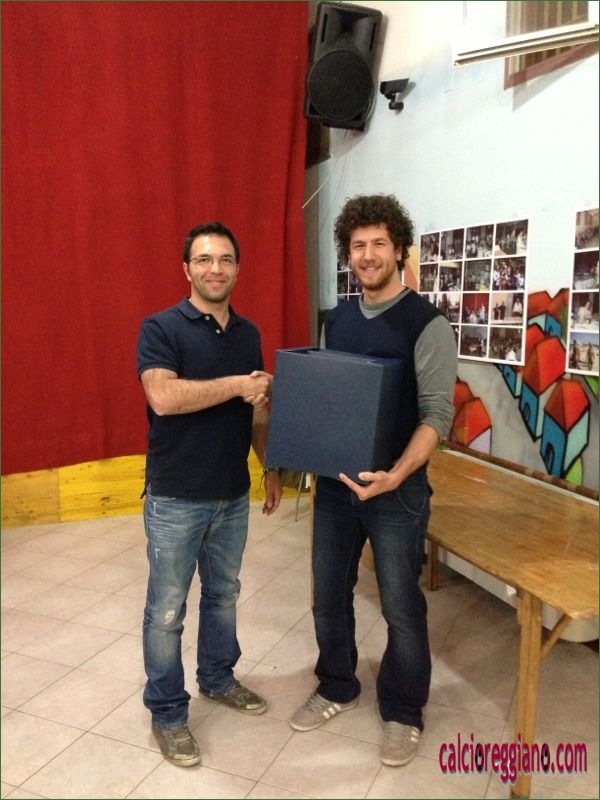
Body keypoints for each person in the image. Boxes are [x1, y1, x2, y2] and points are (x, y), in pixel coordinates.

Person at [289, 195, 456, 768]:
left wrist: (396, 476)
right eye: (357, 245)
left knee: (401, 606)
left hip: (397, 494)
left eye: (378, 243)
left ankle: (404, 711)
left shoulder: (427, 324)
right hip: (337, 490)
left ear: (399, 249)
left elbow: (437, 416)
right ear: (348, 253)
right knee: (327, 598)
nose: (367, 255)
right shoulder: (336, 321)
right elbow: (326, 401)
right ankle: (337, 685)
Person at [136, 221, 282, 767]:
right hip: (175, 497)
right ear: (187, 269)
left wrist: (270, 466)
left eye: (224, 259)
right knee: (167, 610)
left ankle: (218, 678)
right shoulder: (160, 327)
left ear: (237, 268)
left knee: (223, 595)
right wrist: (240, 385)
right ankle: (168, 713)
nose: (215, 269)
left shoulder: (247, 334)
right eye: (204, 259)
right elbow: (163, 397)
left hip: (231, 495)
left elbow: (257, 410)